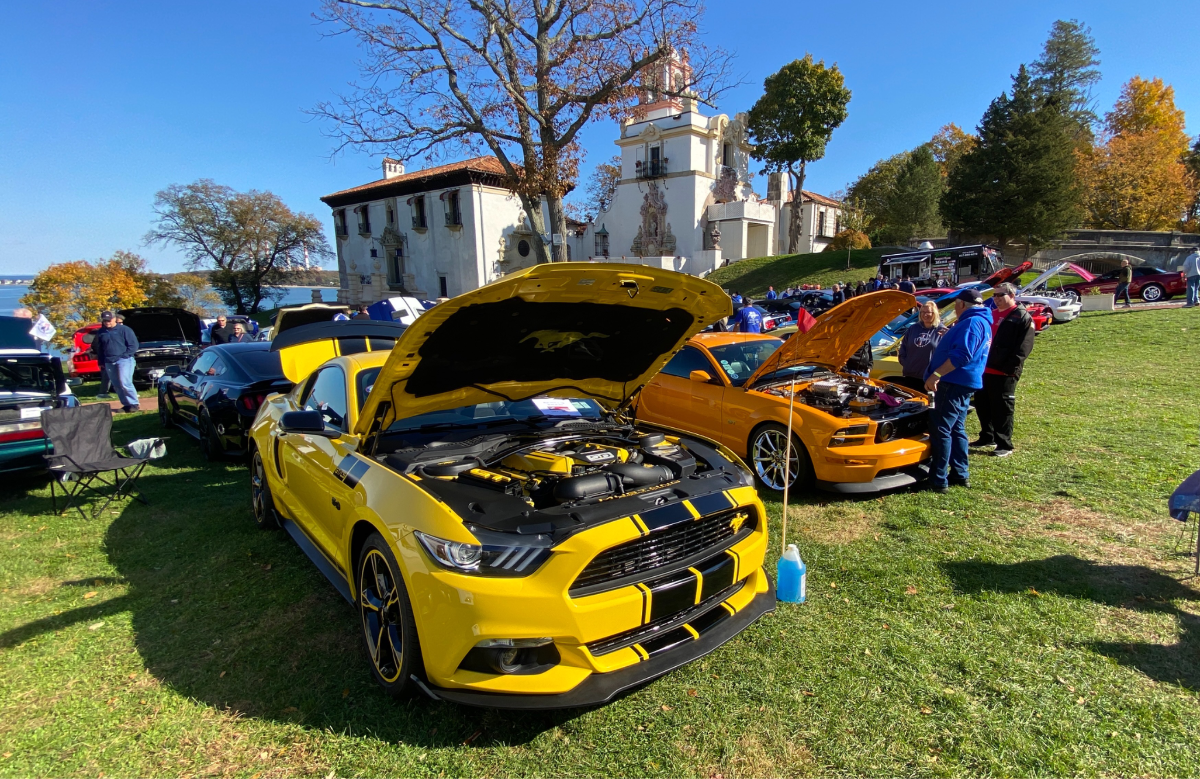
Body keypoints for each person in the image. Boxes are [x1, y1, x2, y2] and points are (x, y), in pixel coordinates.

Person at [923, 289, 993, 493]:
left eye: (956, 304)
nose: (955, 308)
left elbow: (962, 355)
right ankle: (960, 474)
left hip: (952, 382)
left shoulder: (971, 323)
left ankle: (938, 479)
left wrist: (936, 374)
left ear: (961, 304)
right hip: (964, 382)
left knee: (941, 428)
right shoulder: (980, 321)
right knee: (956, 428)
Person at [972, 283, 1035, 457]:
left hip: (1004, 371)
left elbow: (1024, 347)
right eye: (994, 295)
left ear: (1012, 295)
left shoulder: (1021, 317)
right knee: (982, 404)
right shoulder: (991, 315)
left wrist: (1011, 369)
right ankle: (987, 436)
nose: (997, 298)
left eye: (1001, 295)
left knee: (1002, 407)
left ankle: (1004, 444)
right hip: (984, 369)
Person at [92, 310, 140, 413]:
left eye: (109, 320)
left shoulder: (124, 330)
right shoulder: (101, 332)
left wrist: (124, 356)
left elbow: (133, 345)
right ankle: (126, 405)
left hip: (124, 360)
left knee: (125, 382)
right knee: (117, 384)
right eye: (105, 320)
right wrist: (101, 362)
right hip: (109, 361)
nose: (107, 322)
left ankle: (134, 404)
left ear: (114, 319)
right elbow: (100, 348)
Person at [895, 301, 947, 392]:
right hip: (911, 376)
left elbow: (946, 355)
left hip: (930, 378)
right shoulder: (913, 328)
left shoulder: (942, 331)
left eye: (928, 312)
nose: (925, 315)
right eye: (922, 312)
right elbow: (903, 347)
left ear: (934, 313)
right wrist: (906, 363)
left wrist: (937, 373)